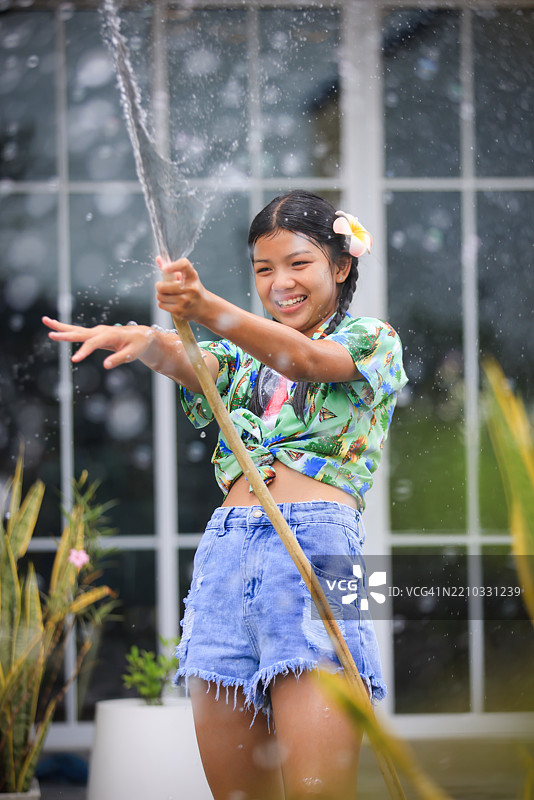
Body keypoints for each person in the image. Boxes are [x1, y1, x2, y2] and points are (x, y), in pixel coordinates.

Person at [43, 190, 407, 800]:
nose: (279, 283)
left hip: (322, 550)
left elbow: (304, 360)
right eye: (264, 269)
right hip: (225, 556)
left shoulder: (372, 338)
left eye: (299, 263)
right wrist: (143, 339)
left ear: (342, 266)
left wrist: (205, 305)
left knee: (319, 791)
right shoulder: (242, 356)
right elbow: (192, 361)